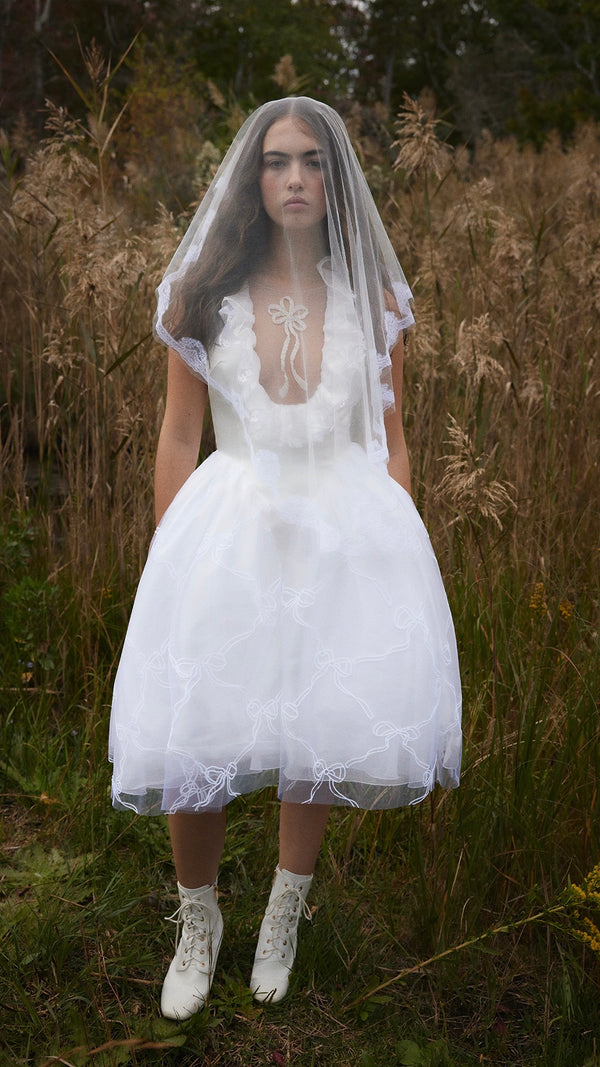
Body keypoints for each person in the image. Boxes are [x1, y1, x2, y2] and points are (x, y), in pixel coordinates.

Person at [108, 97, 462, 1019]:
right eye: (276, 162)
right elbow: (182, 439)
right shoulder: (202, 294)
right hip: (233, 523)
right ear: (252, 179)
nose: (295, 177)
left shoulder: (375, 302)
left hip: (341, 527)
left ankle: (283, 910)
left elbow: (393, 441)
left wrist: (393, 552)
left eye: (312, 161)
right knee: (200, 730)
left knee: (317, 719)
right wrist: (173, 554)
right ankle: (199, 918)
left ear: (333, 179)